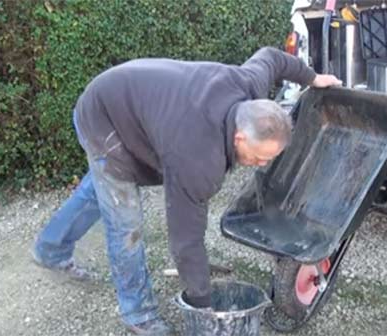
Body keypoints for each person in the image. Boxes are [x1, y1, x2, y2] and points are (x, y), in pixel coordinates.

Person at [32, 46, 342, 335]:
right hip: (104, 119)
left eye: (270, 158)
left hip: (133, 97)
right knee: (124, 219)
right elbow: (185, 241)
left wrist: (313, 78)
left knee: (97, 191)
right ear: (239, 137)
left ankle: (50, 248)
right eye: (260, 156)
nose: (262, 164)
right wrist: (202, 305)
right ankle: (137, 313)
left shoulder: (250, 88)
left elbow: (272, 57)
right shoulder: (197, 158)